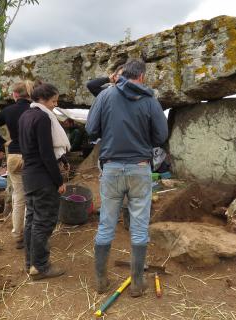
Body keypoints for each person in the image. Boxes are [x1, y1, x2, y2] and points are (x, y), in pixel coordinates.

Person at [86, 59, 168, 296]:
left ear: (123, 74)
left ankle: (101, 282)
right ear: (141, 76)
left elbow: (91, 130)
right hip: (140, 168)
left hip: (111, 168)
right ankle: (137, 284)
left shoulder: (105, 96)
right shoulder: (150, 100)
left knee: (106, 225)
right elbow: (161, 135)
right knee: (140, 227)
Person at [18, 83, 69, 280]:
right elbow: (46, 153)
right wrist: (58, 181)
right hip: (42, 177)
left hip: (29, 175)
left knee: (31, 221)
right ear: (43, 99)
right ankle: (40, 267)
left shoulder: (25, 116)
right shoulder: (42, 117)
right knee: (44, 222)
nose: (54, 106)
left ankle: (31, 263)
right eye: (53, 101)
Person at [0, 81, 35, 249]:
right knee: (31, 197)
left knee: (18, 196)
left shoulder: (8, 111)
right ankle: (30, 234)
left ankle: (18, 235)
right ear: (29, 94)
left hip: (13, 155)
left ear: (15, 94)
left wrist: (3, 143)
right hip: (31, 155)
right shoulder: (34, 109)